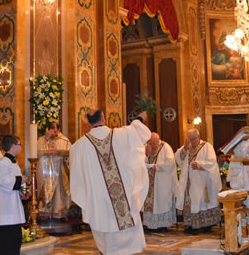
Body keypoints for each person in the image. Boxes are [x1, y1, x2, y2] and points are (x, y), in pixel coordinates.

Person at [70, 109, 150, 255]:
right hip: (124, 198)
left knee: (105, 233)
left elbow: (77, 176)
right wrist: (139, 118)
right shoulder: (122, 134)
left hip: (99, 201)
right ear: (104, 118)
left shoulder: (78, 146)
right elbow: (140, 133)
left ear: (87, 122)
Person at [0, 135, 27, 255]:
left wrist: (20, 192)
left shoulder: (12, 162)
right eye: (19, 144)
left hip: (11, 207)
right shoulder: (3, 163)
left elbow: (9, 182)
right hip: (5, 210)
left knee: (13, 240)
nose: (20, 147)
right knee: (6, 241)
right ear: (13, 146)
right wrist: (20, 179)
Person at [175, 129, 222, 234]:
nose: (192, 141)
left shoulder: (207, 146)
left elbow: (212, 162)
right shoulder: (187, 146)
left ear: (198, 137)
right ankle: (191, 224)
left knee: (201, 202)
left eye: (193, 139)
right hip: (188, 181)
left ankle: (205, 225)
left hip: (202, 181)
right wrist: (184, 149)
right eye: (190, 139)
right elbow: (178, 159)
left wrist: (200, 165)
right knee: (189, 201)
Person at [36, 122, 72, 218]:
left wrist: (60, 152)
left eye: (55, 129)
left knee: (58, 193)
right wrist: (46, 140)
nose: (54, 131)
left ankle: (58, 212)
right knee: (45, 190)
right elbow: (37, 152)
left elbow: (70, 153)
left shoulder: (64, 140)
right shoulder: (41, 140)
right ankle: (45, 211)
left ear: (59, 130)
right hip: (45, 171)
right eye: (52, 128)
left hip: (59, 171)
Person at [143, 132, 177, 232]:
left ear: (159, 140)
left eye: (154, 143)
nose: (153, 145)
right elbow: (140, 160)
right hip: (149, 181)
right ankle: (149, 224)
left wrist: (157, 166)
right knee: (149, 202)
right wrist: (145, 155)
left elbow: (170, 163)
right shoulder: (146, 147)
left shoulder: (166, 147)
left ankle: (162, 225)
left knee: (161, 202)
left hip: (161, 181)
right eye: (151, 143)